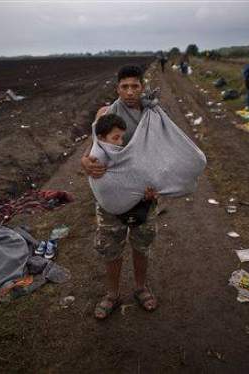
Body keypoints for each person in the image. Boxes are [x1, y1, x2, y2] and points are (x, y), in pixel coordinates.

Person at [81, 65, 159, 320]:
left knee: (141, 245)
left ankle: (140, 288)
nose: (129, 92)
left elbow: (160, 153)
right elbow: (93, 151)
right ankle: (112, 295)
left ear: (142, 87)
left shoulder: (153, 115)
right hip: (112, 197)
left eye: (135, 86)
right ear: (117, 89)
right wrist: (85, 163)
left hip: (144, 195)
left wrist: (154, 186)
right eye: (124, 87)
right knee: (111, 247)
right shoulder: (106, 114)